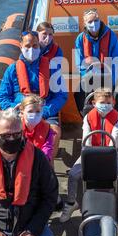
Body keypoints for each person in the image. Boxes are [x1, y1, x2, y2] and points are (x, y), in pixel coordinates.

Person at [59, 88, 118, 224]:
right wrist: (92, 155)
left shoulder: (117, 117)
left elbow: (114, 139)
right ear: (94, 103)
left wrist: (109, 154)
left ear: (113, 103)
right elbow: (86, 138)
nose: (105, 105)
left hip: (114, 154)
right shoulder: (88, 117)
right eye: (102, 102)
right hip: (91, 152)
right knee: (73, 175)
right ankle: (71, 202)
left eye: (108, 102)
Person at [0, 30, 68, 156]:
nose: (31, 49)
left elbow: (61, 95)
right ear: (21, 46)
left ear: (39, 47)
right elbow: (3, 97)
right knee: (11, 135)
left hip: (46, 111)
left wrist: (44, 111)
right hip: (20, 113)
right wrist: (16, 111)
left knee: (55, 133)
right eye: (27, 46)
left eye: (35, 46)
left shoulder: (51, 68)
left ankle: (48, 167)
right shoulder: (12, 69)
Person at [74, 8, 118, 116]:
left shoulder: (111, 36)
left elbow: (117, 60)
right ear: (85, 23)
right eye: (90, 22)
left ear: (100, 20)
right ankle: (87, 119)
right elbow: (79, 64)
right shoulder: (80, 39)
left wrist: (111, 80)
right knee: (78, 93)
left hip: (109, 74)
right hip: (90, 76)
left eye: (96, 20)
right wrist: (88, 76)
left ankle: (114, 119)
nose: (93, 24)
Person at [36, 21, 64, 158]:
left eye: (50, 35)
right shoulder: (17, 67)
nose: (47, 38)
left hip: (46, 105)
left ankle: (49, 164)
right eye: (44, 34)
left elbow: (60, 92)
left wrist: (45, 111)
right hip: (26, 107)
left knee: (54, 132)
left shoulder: (56, 55)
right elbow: (7, 95)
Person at [20, 94, 55, 163]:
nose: (34, 114)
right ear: (22, 112)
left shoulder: (47, 129)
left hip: (39, 161)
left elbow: (47, 148)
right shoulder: (16, 127)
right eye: (30, 111)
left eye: (38, 111)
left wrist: (40, 161)